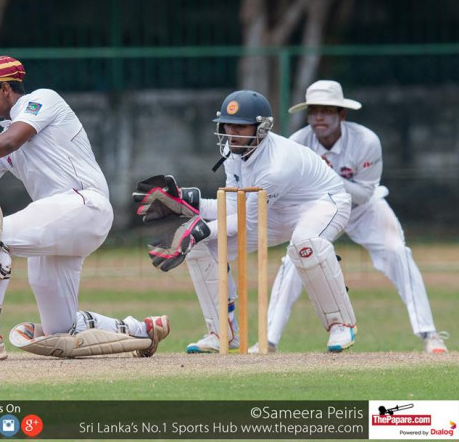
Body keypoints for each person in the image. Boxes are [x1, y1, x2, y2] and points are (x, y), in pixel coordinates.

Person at [0, 55, 169, 360]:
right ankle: (140, 330)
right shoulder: (0, 141)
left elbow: (12, 141)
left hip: (84, 205)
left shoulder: (42, 101)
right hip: (59, 225)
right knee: (60, 331)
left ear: (7, 89)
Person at [134, 90, 358, 353]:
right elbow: (234, 204)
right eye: (227, 125)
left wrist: (199, 228)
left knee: (305, 243)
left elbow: (246, 222)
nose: (231, 132)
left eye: (240, 126)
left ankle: (342, 324)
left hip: (323, 203)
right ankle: (222, 333)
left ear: (261, 128)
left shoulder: (276, 167)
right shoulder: (233, 149)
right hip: (274, 209)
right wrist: (188, 202)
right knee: (198, 247)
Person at [249, 80, 447, 354]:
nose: (319, 117)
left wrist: (325, 176)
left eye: (327, 111)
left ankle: (430, 334)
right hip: (320, 209)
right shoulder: (297, 144)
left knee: (397, 252)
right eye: (314, 111)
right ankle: (267, 341)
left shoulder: (366, 141)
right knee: (296, 257)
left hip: (365, 210)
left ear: (341, 114)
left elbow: (365, 193)